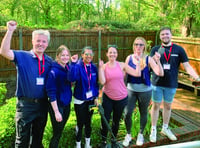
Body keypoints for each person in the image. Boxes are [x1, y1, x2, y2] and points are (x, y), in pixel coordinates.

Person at [0, 20, 52, 147]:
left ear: (47, 44)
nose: (41, 43)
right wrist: (10, 31)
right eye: (38, 40)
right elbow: (4, 52)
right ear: (32, 41)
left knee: (37, 140)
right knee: (22, 141)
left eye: (44, 41)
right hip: (25, 106)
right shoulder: (22, 56)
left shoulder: (49, 61)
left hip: (42, 105)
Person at [149, 27, 200, 143]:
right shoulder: (156, 49)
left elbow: (187, 66)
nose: (165, 36)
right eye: (162, 34)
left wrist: (197, 77)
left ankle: (165, 128)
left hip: (171, 84)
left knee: (167, 106)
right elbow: (150, 63)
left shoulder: (179, 50)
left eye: (167, 34)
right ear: (160, 36)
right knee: (156, 106)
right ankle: (153, 129)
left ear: (171, 35)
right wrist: (154, 59)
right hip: (157, 83)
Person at [122, 37, 164, 146]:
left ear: (144, 46)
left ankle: (140, 134)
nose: (138, 47)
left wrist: (158, 61)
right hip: (131, 90)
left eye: (141, 45)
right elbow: (125, 75)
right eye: (136, 44)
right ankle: (128, 134)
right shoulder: (129, 58)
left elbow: (159, 72)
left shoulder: (148, 59)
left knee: (143, 112)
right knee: (127, 113)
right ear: (133, 46)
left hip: (145, 91)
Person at [98, 44, 142, 147]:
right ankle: (103, 141)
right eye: (110, 52)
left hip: (121, 98)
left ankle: (113, 140)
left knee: (116, 121)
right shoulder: (104, 67)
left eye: (114, 52)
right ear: (107, 54)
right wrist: (100, 68)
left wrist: (139, 63)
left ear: (117, 54)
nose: (112, 54)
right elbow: (103, 81)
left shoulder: (122, 65)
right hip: (108, 97)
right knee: (105, 119)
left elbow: (137, 74)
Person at [46, 45, 78, 148]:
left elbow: (72, 79)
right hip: (57, 106)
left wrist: (73, 63)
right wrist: (56, 112)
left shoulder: (67, 67)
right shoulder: (53, 71)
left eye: (67, 55)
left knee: (59, 132)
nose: (65, 57)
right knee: (57, 133)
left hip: (66, 104)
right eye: (62, 55)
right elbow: (51, 92)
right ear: (57, 56)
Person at [73, 46, 99, 148]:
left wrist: (96, 96)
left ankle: (88, 144)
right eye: (86, 54)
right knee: (80, 123)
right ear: (82, 55)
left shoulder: (93, 67)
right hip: (80, 100)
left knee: (88, 122)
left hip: (91, 100)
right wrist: (73, 64)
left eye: (91, 54)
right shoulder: (78, 66)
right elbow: (72, 77)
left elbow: (95, 84)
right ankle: (78, 145)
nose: (89, 56)